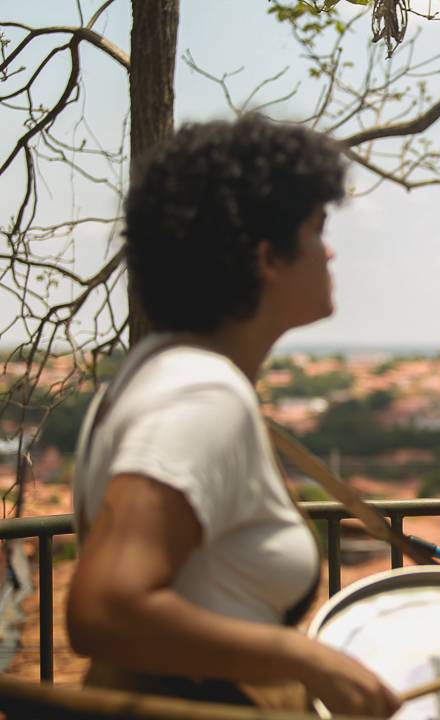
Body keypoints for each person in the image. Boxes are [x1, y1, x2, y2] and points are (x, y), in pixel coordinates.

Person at [66, 116, 400, 718]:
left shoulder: (154, 370)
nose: (329, 250)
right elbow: (105, 609)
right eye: (316, 229)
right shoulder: (201, 393)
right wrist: (306, 658)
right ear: (267, 258)